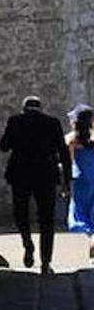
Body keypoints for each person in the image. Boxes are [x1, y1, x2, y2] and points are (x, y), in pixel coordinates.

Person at [0, 95, 71, 274]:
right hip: (45, 174)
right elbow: (63, 152)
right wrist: (66, 180)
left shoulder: (15, 121)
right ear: (41, 107)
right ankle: (46, 262)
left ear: (24, 108)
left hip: (21, 173)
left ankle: (27, 242)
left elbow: (4, 146)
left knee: (20, 212)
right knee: (47, 219)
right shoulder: (52, 123)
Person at [66, 104, 94, 259]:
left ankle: (91, 236)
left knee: (80, 211)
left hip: (80, 178)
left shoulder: (71, 140)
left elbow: (67, 162)